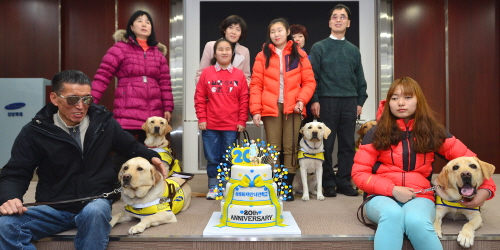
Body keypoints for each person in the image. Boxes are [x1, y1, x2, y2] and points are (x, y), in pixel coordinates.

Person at [0, 70, 167, 250]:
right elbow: (16, 172)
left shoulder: (103, 123)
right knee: (6, 225)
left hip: (95, 202)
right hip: (54, 207)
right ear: (55, 98)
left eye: (86, 99)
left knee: (95, 212)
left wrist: (153, 157)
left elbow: (129, 146)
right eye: (72, 100)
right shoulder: (35, 131)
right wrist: (10, 197)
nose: (80, 106)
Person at [352, 77, 496, 250]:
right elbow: (359, 174)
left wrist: (486, 190)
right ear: (388, 102)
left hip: (419, 196)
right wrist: (392, 190)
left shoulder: (433, 131)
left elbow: (473, 161)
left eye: (407, 97)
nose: (400, 103)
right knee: (392, 214)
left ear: (418, 100)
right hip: (379, 196)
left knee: (416, 221)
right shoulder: (375, 132)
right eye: (395, 98)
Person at [250, 18, 317, 201]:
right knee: (273, 148)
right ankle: (274, 184)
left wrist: (302, 100)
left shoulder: (300, 54)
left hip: (293, 107)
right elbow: (255, 84)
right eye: (273, 32)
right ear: (269, 35)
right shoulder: (262, 55)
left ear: (287, 32)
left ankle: (286, 186)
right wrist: (255, 110)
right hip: (271, 107)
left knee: (291, 147)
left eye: (279, 30)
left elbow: (309, 82)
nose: (276, 34)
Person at [309, 4, 368, 197]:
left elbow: (359, 77)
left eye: (342, 17)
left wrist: (360, 101)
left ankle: (343, 182)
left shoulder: (353, 50)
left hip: (350, 101)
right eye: (335, 17)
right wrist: (315, 99)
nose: (338, 20)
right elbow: (313, 77)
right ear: (329, 22)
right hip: (326, 101)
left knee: (347, 144)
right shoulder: (319, 47)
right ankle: (327, 183)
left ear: (348, 23)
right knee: (326, 144)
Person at [91, 10, 173, 145]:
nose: (144, 24)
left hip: (153, 113)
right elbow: (102, 76)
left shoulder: (158, 54)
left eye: (148, 22)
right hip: (127, 109)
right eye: (139, 21)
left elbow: (165, 84)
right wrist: (91, 102)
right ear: (131, 26)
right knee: (123, 151)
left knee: (149, 152)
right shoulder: (120, 48)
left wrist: (168, 108)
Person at [195, 38, 249, 200]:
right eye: (220, 49)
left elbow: (244, 99)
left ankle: (226, 185)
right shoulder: (207, 73)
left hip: (232, 126)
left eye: (227, 49)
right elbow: (199, 97)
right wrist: (201, 118)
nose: (224, 52)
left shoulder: (239, 75)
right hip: (210, 125)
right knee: (212, 158)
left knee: (229, 157)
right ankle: (213, 186)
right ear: (215, 53)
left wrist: (242, 121)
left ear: (232, 53)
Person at [195, 15, 251, 85]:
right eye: (230, 27)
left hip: (234, 93)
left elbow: (246, 77)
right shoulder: (210, 46)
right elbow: (201, 74)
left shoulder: (244, 51)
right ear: (224, 30)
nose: (234, 32)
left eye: (238, 29)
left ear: (241, 33)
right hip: (212, 92)